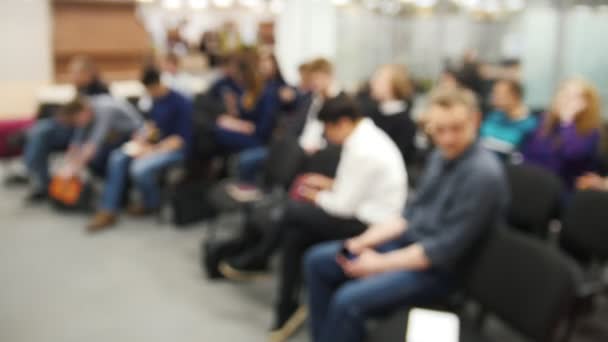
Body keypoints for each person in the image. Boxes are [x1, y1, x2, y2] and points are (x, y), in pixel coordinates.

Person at [304, 87, 508, 342]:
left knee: (348, 300)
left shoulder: (482, 175)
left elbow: (441, 251)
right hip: (411, 247)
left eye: (456, 128)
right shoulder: (439, 157)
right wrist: (363, 241)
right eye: (439, 130)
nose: (447, 139)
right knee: (318, 261)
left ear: (475, 121)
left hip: (441, 271)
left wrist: (379, 264)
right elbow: (408, 216)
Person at [222, 95, 408, 341]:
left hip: (373, 225)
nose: (327, 137)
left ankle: (261, 259)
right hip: (366, 212)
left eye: (327, 129)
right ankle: (285, 305)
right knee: (294, 233)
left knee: (293, 211)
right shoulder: (365, 138)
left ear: (341, 123)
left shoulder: (363, 150)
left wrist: (315, 196)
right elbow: (355, 190)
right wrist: (327, 185)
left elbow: (343, 206)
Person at [87, 68, 193, 231]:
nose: (150, 93)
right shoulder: (155, 100)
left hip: (175, 149)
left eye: (151, 90)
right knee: (117, 157)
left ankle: (151, 203)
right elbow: (152, 127)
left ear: (158, 84)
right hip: (153, 146)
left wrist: (153, 150)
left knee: (140, 168)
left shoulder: (181, 103)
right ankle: (108, 209)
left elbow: (180, 140)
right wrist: (143, 138)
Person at [24, 96, 141, 202]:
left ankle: (118, 196)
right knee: (92, 159)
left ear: (84, 110)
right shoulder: (87, 111)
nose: (77, 123)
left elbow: (93, 144)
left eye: (77, 119)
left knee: (99, 158)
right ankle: (119, 192)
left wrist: (73, 169)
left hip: (135, 136)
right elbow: (76, 142)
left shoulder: (105, 109)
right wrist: (68, 164)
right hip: (113, 137)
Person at [522, 78, 602, 189]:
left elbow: (571, 156)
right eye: (562, 93)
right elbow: (529, 153)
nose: (564, 99)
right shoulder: (544, 120)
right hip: (533, 183)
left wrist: (567, 121)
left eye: (572, 97)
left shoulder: (591, 131)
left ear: (585, 104)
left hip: (563, 190)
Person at [368, 64, 417, 165]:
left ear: (394, 85)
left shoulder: (406, 123)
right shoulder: (371, 114)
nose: (373, 83)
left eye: (379, 80)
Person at [480, 79, 538, 159]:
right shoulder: (493, 116)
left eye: (499, 94)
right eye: (494, 93)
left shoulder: (530, 125)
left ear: (515, 96)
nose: (494, 97)